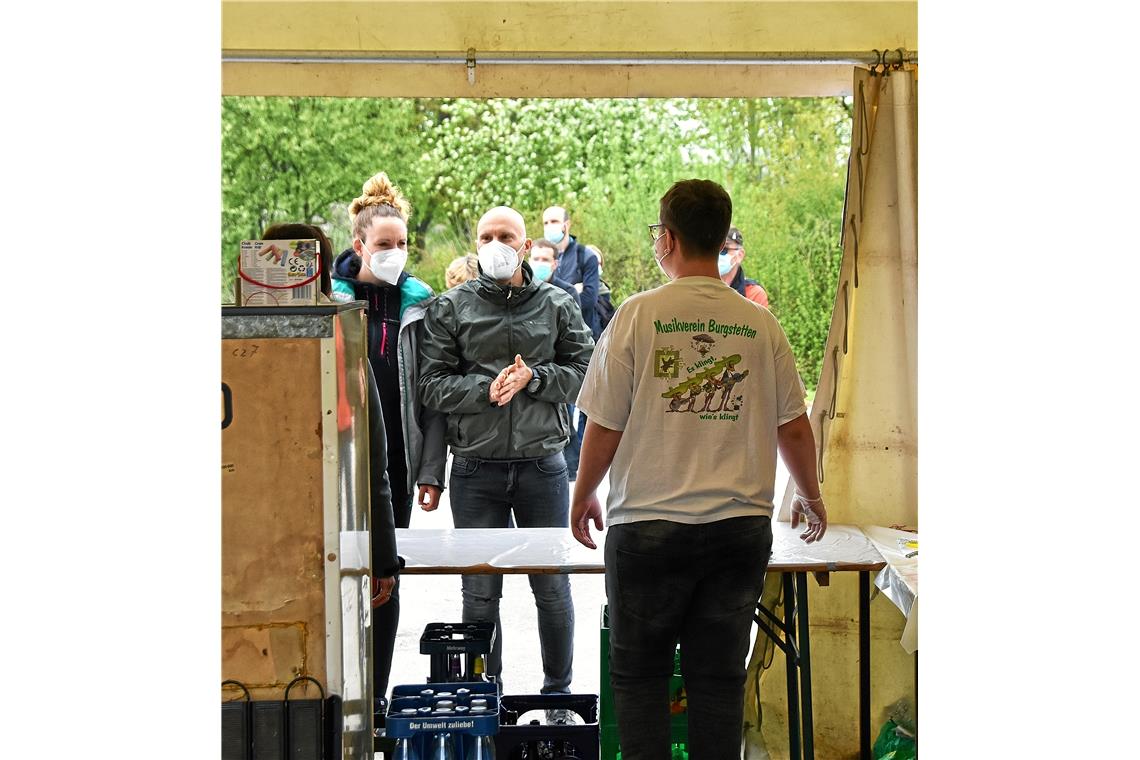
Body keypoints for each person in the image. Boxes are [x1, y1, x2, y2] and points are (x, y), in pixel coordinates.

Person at [570, 179, 827, 760]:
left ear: (669, 239)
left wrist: (583, 492)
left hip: (648, 530)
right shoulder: (760, 325)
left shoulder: (639, 315)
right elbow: (793, 426)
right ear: (721, 240)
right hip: (737, 532)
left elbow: (604, 425)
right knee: (717, 682)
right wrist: (811, 495)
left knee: (640, 682)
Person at [418, 205, 595, 695]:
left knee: (552, 587)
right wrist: (484, 389)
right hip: (476, 470)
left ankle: (558, 694)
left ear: (525, 244)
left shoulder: (558, 304)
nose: (495, 243)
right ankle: (483, 694)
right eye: (486, 236)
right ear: (477, 244)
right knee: (479, 593)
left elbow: (586, 375)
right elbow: (430, 386)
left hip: (544, 466)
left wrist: (534, 378)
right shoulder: (450, 307)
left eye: (506, 235)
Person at [263, 221, 404, 704]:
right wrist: (384, 559)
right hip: (318, 530)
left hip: (302, 532)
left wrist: (383, 556)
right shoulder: (335, 331)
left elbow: (373, 458)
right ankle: (372, 705)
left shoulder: (340, 332)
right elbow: (374, 461)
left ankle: (372, 705)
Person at [326, 173, 448, 704]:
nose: (395, 253)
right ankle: (339, 686)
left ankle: (374, 694)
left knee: (384, 573)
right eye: (383, 245)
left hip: (395, 463)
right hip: (339, 460)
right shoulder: (333, 301)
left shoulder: (420, 306)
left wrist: (429, 469)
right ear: (359, 246)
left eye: (401, 245)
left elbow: (433, 393)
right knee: (338, 571)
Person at [719, 226, 769, 307]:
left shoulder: (753, 294)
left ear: (740, 255)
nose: (716, 255)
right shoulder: (697, 288)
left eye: (724, 249)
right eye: (711, 250)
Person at [530, 238, 582, 310]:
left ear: (555, 264)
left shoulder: (568, 292)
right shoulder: (521, 290)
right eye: (535, 259)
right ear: (529, 261)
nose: (540, 263)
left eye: (545, 260)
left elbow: (575, 320)